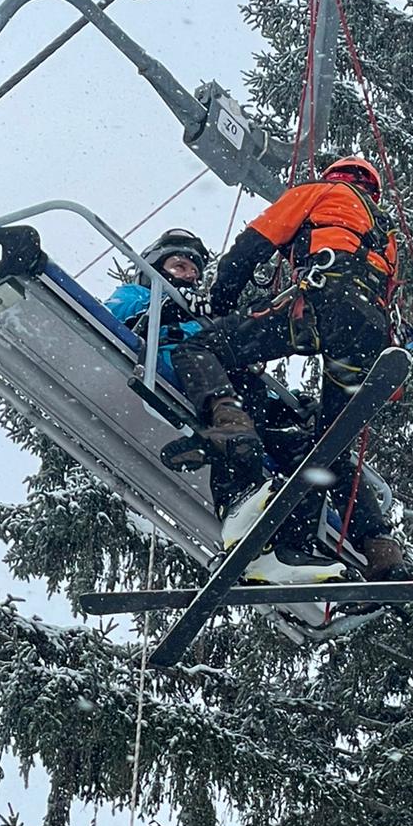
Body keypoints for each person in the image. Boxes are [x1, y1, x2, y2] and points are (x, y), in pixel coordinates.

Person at [193, 156, 407, 580]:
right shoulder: (385, 233)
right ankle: (377, 550)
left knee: (203, 345)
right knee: (326, 448)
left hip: (321, 310)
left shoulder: (319, 193)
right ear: (373, 189)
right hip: (367, 336)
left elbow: (251, 246)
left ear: (335, 176)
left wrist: (219, 303)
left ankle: (232, 425)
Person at [106, 228, 349, 586]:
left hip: (228, 392)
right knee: (234, 436)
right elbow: (113, 317)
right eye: (178, 265)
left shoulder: (207, 322)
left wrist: (289, 408)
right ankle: (239, 507)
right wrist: (166, 307)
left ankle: (293, 547)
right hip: (184, 376)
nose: (188, 274)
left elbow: (232, 367)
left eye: (193, 270)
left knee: (304, 449)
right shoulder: (140, 294)